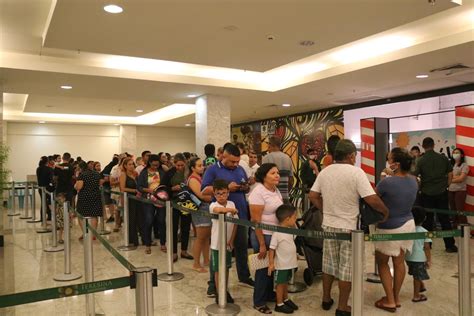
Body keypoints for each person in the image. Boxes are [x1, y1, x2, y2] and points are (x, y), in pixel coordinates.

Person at [309, 139, 388, 316]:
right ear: (351, 155)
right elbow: (371, 199)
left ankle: (326, 298)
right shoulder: (356, 173)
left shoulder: (325, 172)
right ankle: (343, 307)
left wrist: (325, 209)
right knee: (347, 268)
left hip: (329, 225)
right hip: (349, 227)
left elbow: (313, 195)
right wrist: (385, 211)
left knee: (328, 264)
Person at [202, 143, 254, 297]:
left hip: (240, 215)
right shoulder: (212, 170)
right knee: (218, 251)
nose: (235, 164)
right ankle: (213, 284)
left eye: (237, 161)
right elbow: (204, 190)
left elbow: (245, 186)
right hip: (221, 218)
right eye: (232, 161)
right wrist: (226, 187)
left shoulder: (240, 169)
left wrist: (245, 186)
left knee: (242, 247)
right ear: (223, 156)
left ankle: (244, 276)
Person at [374, 148, 417, 312]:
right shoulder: (414, 180)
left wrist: (383, 178)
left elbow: (374, 198)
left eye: (390, 159)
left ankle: (389, 300)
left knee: (383, 263)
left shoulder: (386, 182)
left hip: (389, 226)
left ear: (396, 164)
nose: (388, 162)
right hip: (408, 223)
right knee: (399, 262)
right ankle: (396, 297)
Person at [249, 163, 283, 314]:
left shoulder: (275, 190)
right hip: (263, 236)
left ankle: (269, 294)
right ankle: (259, 301)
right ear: (264, 176)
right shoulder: (258, 192)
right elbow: (256, 220)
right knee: (262, 270)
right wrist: (262, 244)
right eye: (273, 173)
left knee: (272, 267)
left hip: (275, 235)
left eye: (277, 173)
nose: (277, 176)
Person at [415, 137, 457, 253]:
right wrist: (446, 186)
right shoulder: (442, 158)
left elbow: (414, 176)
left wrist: (419, 187)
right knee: (444, 219)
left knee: (427, 220)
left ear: (423, 146)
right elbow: (450, 174)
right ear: (433, 145)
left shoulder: (421, 160)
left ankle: (427, 245)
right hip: (442, 192)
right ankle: (450, 245)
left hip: (426, 193)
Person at [209, 179, 238, 304]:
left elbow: (236, 224)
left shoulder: (231, 203)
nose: (221, 196)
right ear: (214, 194)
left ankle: (224, 289)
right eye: (218, 194)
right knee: (217, 269)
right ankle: (218, 291)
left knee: (226, 268)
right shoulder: (213, 205)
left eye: (224, 193)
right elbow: (219, 211)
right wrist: (230, 211)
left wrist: (231, 240)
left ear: (228, 193)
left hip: (227, 244)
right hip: (217, 244)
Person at [268, 204, 299, 314]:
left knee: (285, 282)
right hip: (281, 265)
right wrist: (271, 263)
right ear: (287, 219)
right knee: (280, 284)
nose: (296, 220)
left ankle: (285, 299)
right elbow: (272, 249)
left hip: (290, 263)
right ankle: (279, 303)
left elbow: (291, 243)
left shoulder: (290, 230)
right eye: (294, 217)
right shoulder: (277, 233)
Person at [162, 153, 193, 261]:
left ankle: (184, 250)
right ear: (174, 164)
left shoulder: (189, 172)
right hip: (173, 203)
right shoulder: (169, 173)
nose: (180, 167)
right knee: (173, 228)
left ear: (185, 163)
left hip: (186, 202)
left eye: (182, 165)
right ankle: (174, 252)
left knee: (185, 227)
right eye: (178, 165)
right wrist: (172, 189)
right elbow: (162, 188)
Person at [188, 157, 212, 273]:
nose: (202, 167)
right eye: (199, 165)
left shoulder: (199, 177)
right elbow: (201, 195)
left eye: (202, 165)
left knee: (206, 236)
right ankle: (196, 263)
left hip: (205, 208)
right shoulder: (193, 179)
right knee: (200, 237)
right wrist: (214, 198)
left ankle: (207, 260)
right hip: (200, 209)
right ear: (192, 168)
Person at [137, 154, 164, 254]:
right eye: (153, 165)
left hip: (160, 200)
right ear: (149, 163)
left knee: (161, 221)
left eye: (157, 165)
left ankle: (163, 243)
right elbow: (139, 187)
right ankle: (147, 244)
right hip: (147, 200)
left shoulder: (161, 172)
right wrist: (148, 190)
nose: (155, 167)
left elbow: (166, 184)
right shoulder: (144, 173)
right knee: (148, 221)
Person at [405, 206, 432, 303]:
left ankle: (421, 286)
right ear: (424, 218)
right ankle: (416, 296)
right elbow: (427, 248)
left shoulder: (408, 230)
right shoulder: (424, 232)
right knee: (417, 277)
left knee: (415, 274)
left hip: (408, 257)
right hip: (419, 258)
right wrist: (429, 260)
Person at [75, 161, 102, 238]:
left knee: (81, 215)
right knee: (94, 215)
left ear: (80, 168)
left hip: (85, 197)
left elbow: (79, 187)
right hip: (96, 196)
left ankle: (85, 233)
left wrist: (75, 186)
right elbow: (100, 184)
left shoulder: (82, 175)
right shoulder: (96, 173)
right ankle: (93, 234)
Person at [263, 136, 293, 202]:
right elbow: (291, 180)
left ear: (272, 145)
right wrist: (286, 192)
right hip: (284, 197)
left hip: (270, 198)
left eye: (269, 144)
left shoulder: (266, 158)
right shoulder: (288, 158)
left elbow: (262, 178)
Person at [119, 157, 139, 247]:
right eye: (129, 164)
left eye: (132, 164)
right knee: (131, 219)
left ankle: (136, 239)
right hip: (129, 199)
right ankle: (131, 240)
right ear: (125, 166)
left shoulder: (135, 174)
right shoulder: (123, 175)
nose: (131, 166)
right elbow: (122, 188)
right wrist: (134, 191)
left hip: (137, 199)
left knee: (136, 219)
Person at [448, 148, 469, 226]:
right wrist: (455, 177)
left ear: (462, 155)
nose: (455, 154)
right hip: (450, 190)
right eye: (454, 152)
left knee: (460, 210)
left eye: (457, 152)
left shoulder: (464, 165)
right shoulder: (450, 165)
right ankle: (455, 227)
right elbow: (447, 176)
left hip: (460, 191)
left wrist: (451, 179)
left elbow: (461, 179)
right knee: (452, 210)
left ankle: (465, 228)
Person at [101, 156, 119, 223]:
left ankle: (113, 216)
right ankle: (112, 216)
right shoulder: (111, 167)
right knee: (110, 202)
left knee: (111, 202)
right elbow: (106, 178)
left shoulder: (109, 166)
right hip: (107, 187)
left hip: (109, 186)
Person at [36, 156, 54, 221]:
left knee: (43, 203)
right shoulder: (49, 169)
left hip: (40, 188)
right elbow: (51, 180)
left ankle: (42, 217)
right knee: (50, 202)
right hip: (48, 188)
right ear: (47, 161)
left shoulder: (38, 169)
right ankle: (50, 216)